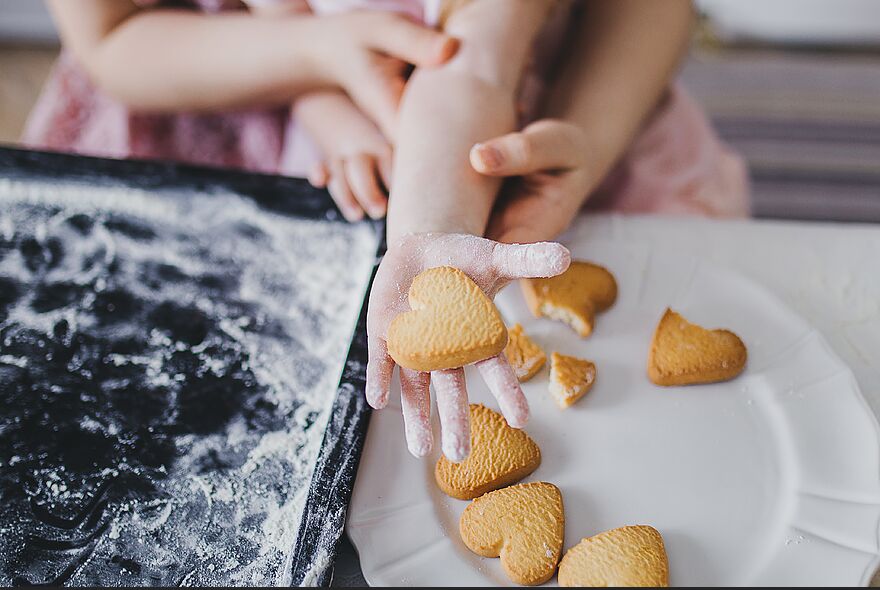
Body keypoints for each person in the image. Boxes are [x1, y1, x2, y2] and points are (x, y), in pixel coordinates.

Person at [26, 0, 749, 462]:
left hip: (524, 115)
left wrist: (430, 240)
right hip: (217, 91)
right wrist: (310, 64)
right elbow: (113, 35)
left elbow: (472, 66)